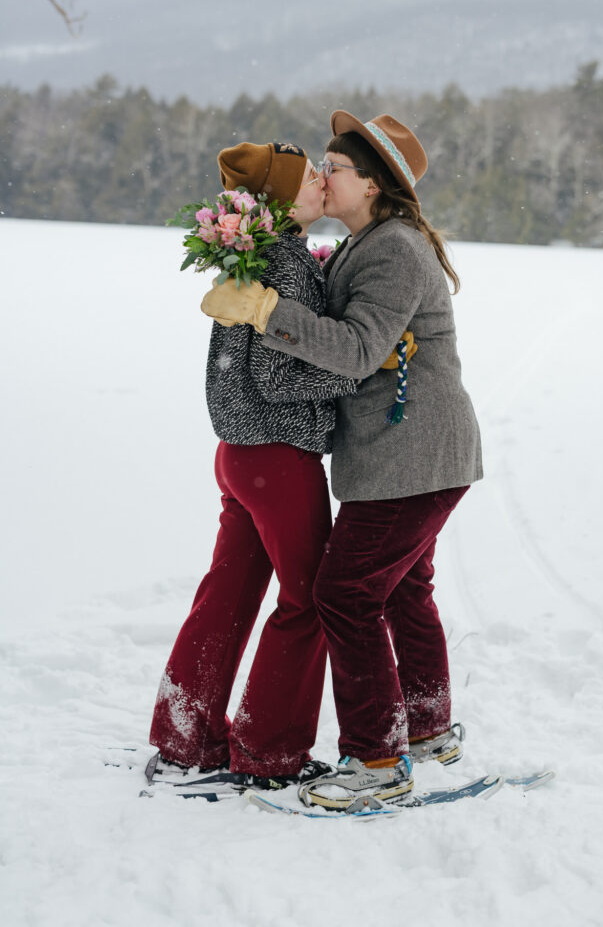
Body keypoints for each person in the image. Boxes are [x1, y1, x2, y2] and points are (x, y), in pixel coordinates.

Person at [200, 111, 483, 809]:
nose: (323, 177)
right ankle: (425, 729)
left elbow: (356, 352)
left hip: (409, 454)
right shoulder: (371, 242)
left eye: (336, 167)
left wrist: (267, 312)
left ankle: (377, 761)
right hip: (412, 453)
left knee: (344, 595)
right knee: (400, 590)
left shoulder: (392, 250)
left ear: (377, 185)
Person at [146, 141, 356, 793]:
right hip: (276, 456)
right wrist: (349, 377)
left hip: (239, 455)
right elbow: (273, 376)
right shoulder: (283, 264)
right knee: (310, 599)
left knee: (228, 595)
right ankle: (269, 751)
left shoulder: (259, 258)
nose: (323, 182)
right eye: (309, 178)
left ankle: (186, 740)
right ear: (283, 201)